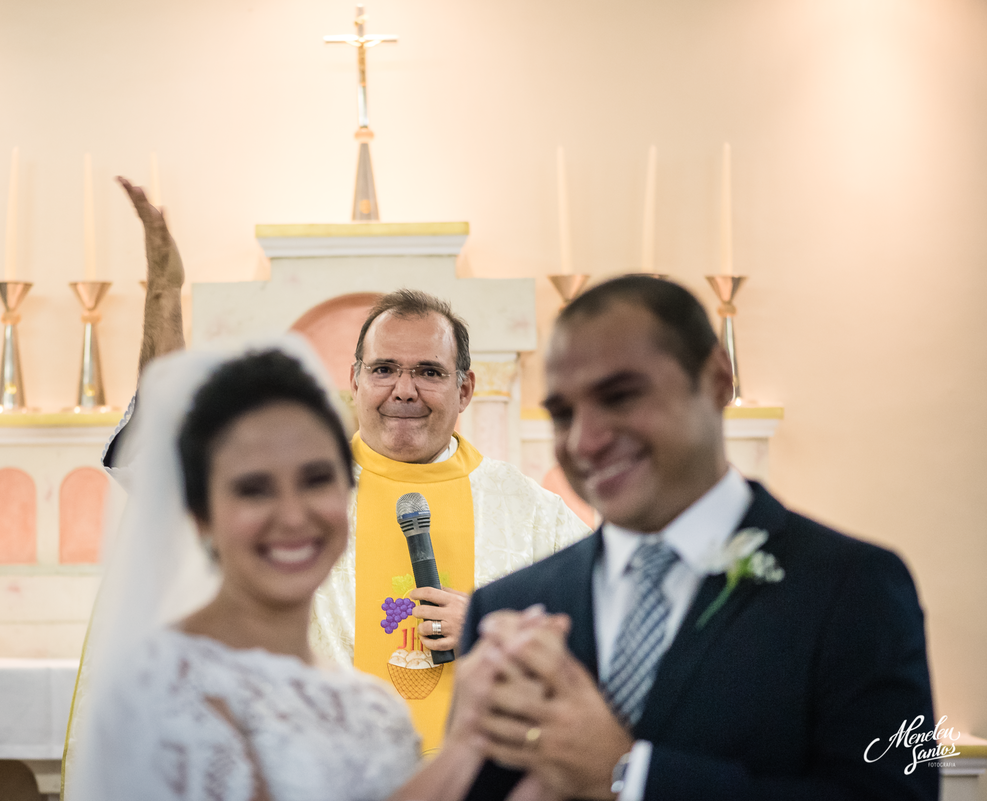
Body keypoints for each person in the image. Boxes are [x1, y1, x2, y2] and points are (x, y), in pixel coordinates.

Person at [99, 180, 590, 752]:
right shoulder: (293, 495)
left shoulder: (529, 513)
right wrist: (164, 296)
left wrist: (490, 628)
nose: (404, 390)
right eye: (384, 369)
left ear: (466, 389)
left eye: (429, 372)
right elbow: (161, 457)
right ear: (354, 381)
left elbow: (607, 631)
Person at [457, 275, 938, 800]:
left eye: (620, 397)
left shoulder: (856, 589)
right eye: (563, 414)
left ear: (715, 379)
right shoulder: (509, 606)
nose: (584, 441)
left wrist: (629, 776)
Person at [68, 339, 493, 801]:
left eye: (316, 479)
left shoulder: (372, 713)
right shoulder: (151, 699)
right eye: (254, 488)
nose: (293, 516)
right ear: (201, 513)